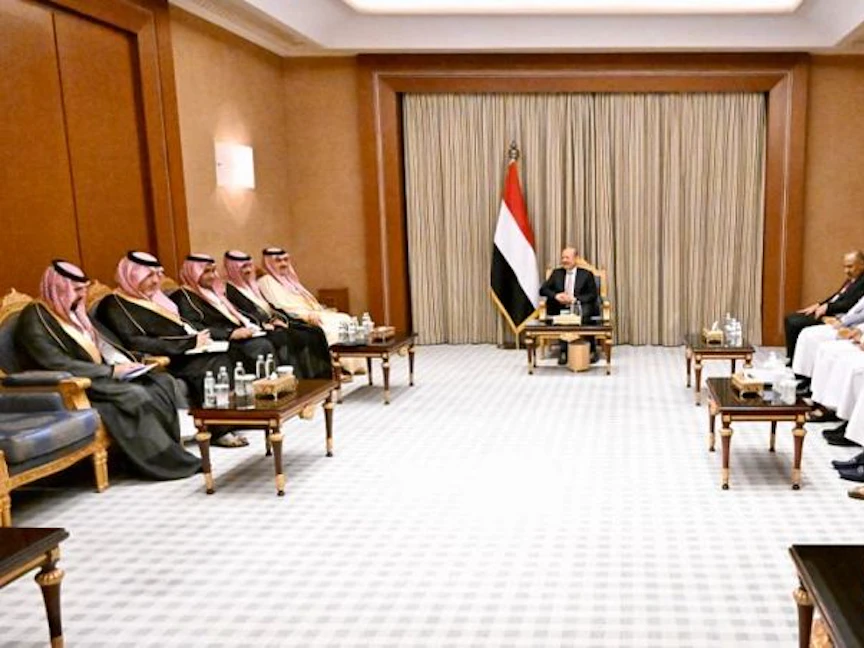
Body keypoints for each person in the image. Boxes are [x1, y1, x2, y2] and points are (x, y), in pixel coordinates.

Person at [15, 260, 200, 479]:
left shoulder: (71, 312)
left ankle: (170, 452)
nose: (82, 296)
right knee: (134, 394)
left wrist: (128, 364)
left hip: (97, 376)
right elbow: (56, 363)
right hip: (72, 386)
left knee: (162, 382)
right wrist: (111, 372)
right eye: (76, 290)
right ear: (58, 289)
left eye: (84, 290)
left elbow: (102, 346)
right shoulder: (35, 318)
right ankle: (160, 461)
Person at [96, 251, 247, 448]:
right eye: (148, 276)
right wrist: (188, 343)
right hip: (163, 359)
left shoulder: (153, 298)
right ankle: (220, 429)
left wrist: (197, 340)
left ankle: (232, 419)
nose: (155, 281)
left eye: (157, 275)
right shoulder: (114, 304)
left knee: (229, 354)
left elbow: (181, 325)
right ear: (131, 276)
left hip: (185, 352)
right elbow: (135, 342)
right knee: (214, 364)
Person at [222, 250, 332, 379]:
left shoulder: (252, 286)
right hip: (260, 329)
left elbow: (271, 308)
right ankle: (299, 380)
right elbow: (244, 315)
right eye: (243, 267)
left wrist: (281, 319)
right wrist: (264, 324)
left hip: (273, 323)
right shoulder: (230, 291)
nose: (248, 270)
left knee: (314, 331)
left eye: (249, 266)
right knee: (289, 337)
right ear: (233, 269)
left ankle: (322, 377)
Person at [257, 246, 364, 374]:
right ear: (269, 263)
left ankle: (348, 366)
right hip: (298, 317)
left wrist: (320, 310)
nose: (284, 264)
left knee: (344, 318)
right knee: (333, 326)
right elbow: (281, 306)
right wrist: (306, 316)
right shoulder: (266, 281)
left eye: (285, 260)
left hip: (312, 312)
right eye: (278, 261)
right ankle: (337, 367)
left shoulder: (288, 279)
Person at [171, 254, 276, 375]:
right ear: (193, 273)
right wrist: (229, 334)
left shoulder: (216, 290)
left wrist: (260, 324)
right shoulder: (183, 297)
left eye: (213, 271)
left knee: (274, 336)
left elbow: (242, 312)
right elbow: (193, 327)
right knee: (260, 346)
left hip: (236, 336)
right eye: (206, 272)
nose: (212, 276)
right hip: (217, 342)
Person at [783, 250, 864, 362]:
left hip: (838, 315)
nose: (846, 271)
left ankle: (795, 361)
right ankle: (791, 357)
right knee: (790, 318)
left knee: (795, 323)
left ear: (862, 265)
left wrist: (827, 308)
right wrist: (819, 305)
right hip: (829, 310)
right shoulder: (852, 279)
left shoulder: (862, 282)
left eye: (850, 267)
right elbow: (837, 296)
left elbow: (849, 304)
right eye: (845, 267)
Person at [539, 247, 599, 364]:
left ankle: (591, 350)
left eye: (567, 257)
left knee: (585, 313)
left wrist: (574, 299)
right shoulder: (556, 273)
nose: (564, 260)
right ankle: (564, 351)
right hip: (560, 307)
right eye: (563, 258)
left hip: (579, 306)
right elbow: (543, 290)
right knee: (562, 315)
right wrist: (556, 296)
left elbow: (592, 295)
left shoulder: (586, 274)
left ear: (576, 258)